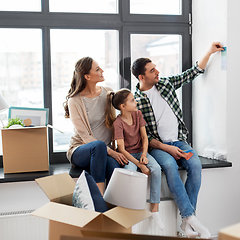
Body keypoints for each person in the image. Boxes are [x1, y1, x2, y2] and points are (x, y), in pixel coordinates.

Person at [131, 42, 224, 238]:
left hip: (178, 140)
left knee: (195, 166)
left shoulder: (165, 84)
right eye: (152, 70)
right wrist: (167, 149)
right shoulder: (135, 101)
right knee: (171, 167)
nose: (157, 71)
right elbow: (144, 137)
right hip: (157, 147)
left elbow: (193, 72)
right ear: (141, 77)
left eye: (156, 68)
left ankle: (186, 221)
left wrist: (209, 51)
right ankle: (190, 217)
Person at [64, 57, 128, 195]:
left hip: (104, 152)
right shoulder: (74, 101)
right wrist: (111, 152)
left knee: (115, 168)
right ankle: (98, 202)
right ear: (87, 76)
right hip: (81, 150)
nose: (102, 71)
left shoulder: (108, 93)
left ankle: (114, 209)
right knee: (98, 146)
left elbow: (120, 118)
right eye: (97, 69)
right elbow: (85, 137)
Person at [105, 88, 164, 230]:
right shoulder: (117, 123)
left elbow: (145, 138)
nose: (135, 102)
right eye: (132, 100)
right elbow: (122, 149)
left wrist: (144, 155)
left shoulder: (138, 115)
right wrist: (139, 164)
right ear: (122, 106)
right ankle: (129, 210)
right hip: (128, 156)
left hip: (140, 152)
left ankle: (155, 209)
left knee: (156, 169)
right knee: (131, 173)